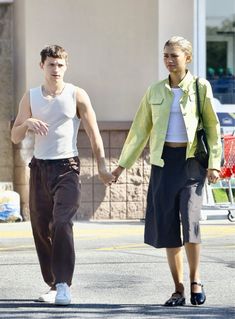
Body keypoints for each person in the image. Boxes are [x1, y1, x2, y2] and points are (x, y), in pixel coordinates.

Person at [112, 36, 222, 306]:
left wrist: (214, 164)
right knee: (168, 226)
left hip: (192, 163)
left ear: (188, 57)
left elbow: (212, 127)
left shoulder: (200, 87)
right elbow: (139, 131)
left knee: (191, 221)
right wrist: (121, 166)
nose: (169, 60)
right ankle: (178, 288)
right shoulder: (155, 90)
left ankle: (196, 280)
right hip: (163, 164)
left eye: (174, 55)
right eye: (165, 56)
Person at [11, 45, 114, 305]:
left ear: (65, 67)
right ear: (41, 66)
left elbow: (93, 132)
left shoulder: (77, 95)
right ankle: (53, 284)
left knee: (61, 223)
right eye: (51, 65)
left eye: (60, 65)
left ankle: (64, 283)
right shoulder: (30, 97)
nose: (56, 69)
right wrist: (26, 124)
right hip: (39, 169)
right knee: (40, 228)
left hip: (67, 167)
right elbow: (14, 136)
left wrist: (102, 166)